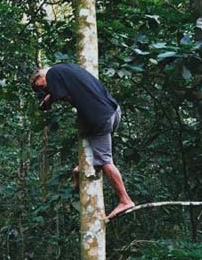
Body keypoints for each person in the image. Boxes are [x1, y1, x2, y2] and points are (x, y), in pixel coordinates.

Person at [31, 63, 134, 219]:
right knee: (92, 153)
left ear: (40, 76)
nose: (44, 90)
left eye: (42, 87)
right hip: (112, 111)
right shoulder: (67, 69)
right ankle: (79, 171)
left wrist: (48, 101)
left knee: (105, 160)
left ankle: (125, 199)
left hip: (100, 118)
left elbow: (60, 95)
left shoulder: (52, 74)